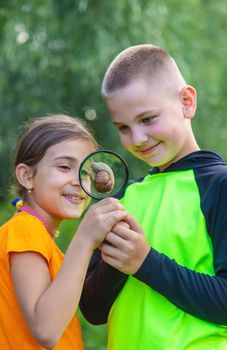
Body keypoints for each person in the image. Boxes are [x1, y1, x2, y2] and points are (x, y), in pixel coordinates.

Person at [79, 44, 227, 349]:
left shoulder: (220, 185)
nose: (137, 138)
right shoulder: (127, 198)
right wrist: (116, 262)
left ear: (186, 102)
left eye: (147, 119)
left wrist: (145, 262)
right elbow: (93, 311)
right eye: (123, 127)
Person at [0, 114, 129, 350]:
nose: (79, 181)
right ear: (27, 176)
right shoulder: (24, 230)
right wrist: (85, 239)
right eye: (64, 167)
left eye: (86, 172)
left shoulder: (41, 238)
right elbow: (46, 330)